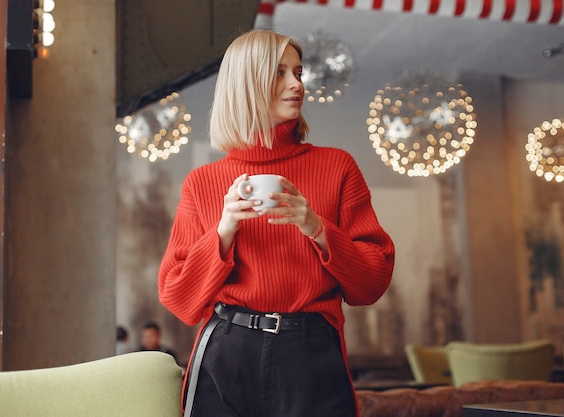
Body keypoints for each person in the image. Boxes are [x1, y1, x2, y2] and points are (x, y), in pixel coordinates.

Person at [158, 29, 395, 417]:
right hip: (226, 351)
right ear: (247, 84)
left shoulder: (337, 167)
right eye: (280, 73)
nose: (296, 84)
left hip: (312, 350)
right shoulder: (202, 183)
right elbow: (178, 297)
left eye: (298, 73)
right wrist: (224, 230)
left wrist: (317, 227)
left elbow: (372, 282)